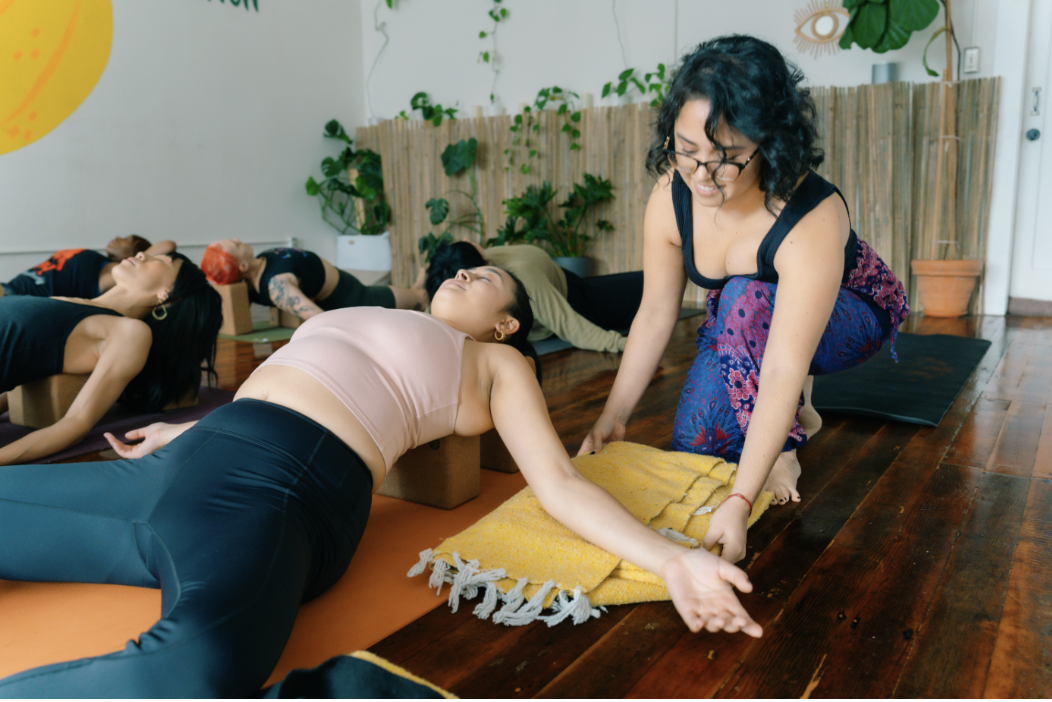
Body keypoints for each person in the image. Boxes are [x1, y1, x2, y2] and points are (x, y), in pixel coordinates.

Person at [0, 264, 761, 697]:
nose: (465, 268)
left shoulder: (496, 364)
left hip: (282, 491)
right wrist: (190, 427)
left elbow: (558, 483)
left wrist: (671, 559)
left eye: (489, 276)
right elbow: (297, 374)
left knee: (199, 668)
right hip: (197, 458)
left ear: (504, 326)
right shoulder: (371, 312)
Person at [578, 35, 909, 565]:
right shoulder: (672, 194)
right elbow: (657, 311)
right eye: (686, 151)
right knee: (699, 438)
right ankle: (796, 416)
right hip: (746, 319)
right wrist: (613, 417)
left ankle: (789, 440)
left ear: (769, 141)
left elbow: (781, 365)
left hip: (848, 312)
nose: (702, 177)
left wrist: (739, 499)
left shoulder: (810, 217)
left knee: (746, 297)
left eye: (726, 158)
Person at [0, 251, 221, 465]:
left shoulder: (130, 333)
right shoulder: (78, 301)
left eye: (162, 261)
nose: (144, 253)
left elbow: (75, 425)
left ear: (167, 294)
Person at [426, 240, 644, 353]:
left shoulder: (505, 272)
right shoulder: (465, 285)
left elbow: (571, 324)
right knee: (644, 284)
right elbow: (571, 325)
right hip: (568, 295)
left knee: (646, 282)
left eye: (479, 272)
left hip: (571, 289)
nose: (462, 274)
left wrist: (633, 348)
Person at [201, 239, 428, 321]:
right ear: (242, 266)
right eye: (235, 245)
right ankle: (420, 294)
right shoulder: (277, 286)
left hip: (351, 286)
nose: (238, 239)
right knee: (420, 298)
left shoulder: (260, 263)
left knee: (402, 294)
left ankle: (415, 292)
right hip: (351, 300)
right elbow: (319, 319)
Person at [0, 236, 177, 299]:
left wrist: (141, 260)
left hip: (16, 298)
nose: (117, 237)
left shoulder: (112, 274)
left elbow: (168, 245)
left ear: (138, 253)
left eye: (127, 239)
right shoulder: (99, 260)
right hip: (9, 287)